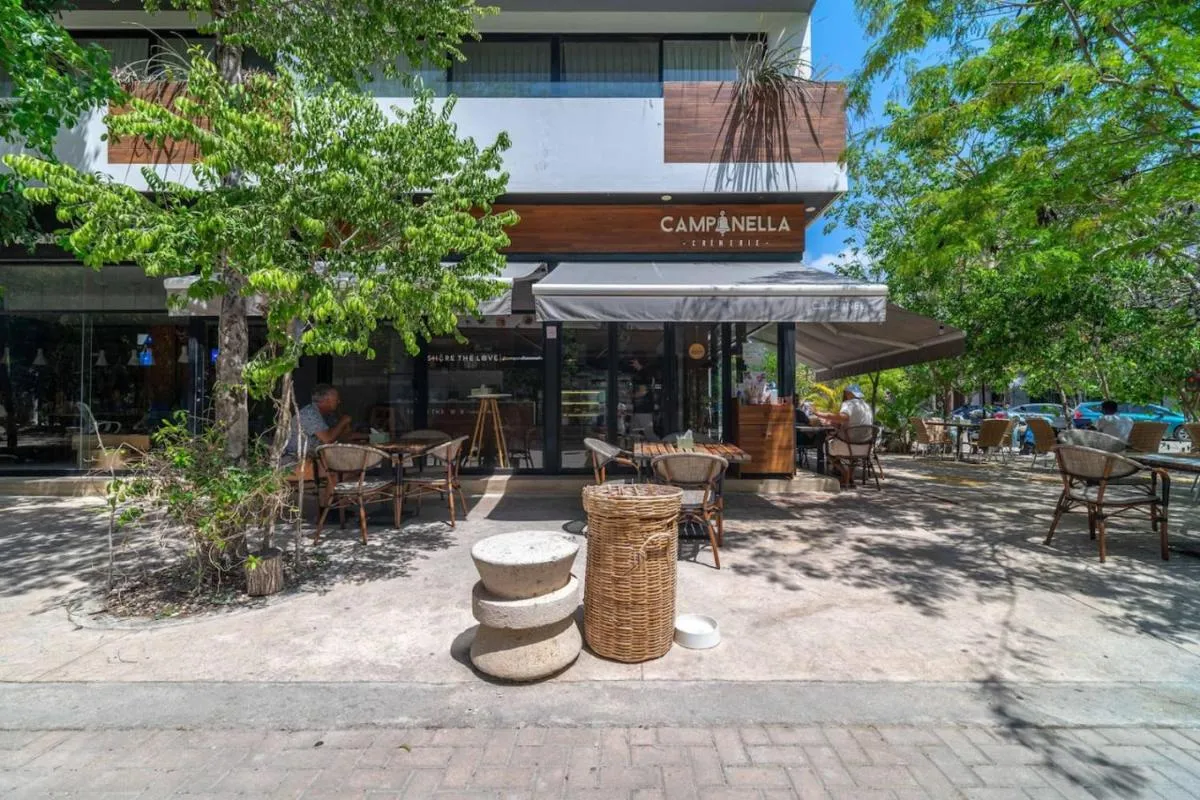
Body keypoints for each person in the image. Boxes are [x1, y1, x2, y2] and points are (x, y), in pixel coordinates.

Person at [285, 384, 352, 460]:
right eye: (336, 400)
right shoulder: (310, 413)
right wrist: (343, 421)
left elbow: (338, 435)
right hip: (295, 459)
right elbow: (327, 439)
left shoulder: (323, 414)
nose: (339, 402)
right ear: (326, 400)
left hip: (309, 456)